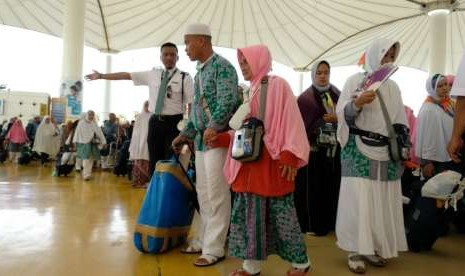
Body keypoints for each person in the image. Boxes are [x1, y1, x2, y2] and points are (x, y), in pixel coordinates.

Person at [218, 45, 311, 276]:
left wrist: (290, 153)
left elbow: (291, 118)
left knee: (283, 216)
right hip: (250, 165)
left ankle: (302, 263)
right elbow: (245, 130)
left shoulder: (276, 84)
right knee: (252, 217)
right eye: (241, 62)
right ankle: (251, 267)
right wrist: (222, 139)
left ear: (259, 61)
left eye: (246, 61)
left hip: (272, 163)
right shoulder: (251, 90)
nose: (242, 66)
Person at [335, 38, 408, 274]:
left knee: (379, 199)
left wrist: (401, 143)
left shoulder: (394, 87)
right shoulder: (355, 81)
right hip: (358, 149)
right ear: (375, 54)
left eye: (392, 57)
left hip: (385, 151)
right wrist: (356, 104)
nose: (388, 61)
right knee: (358, 201)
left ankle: (371, 248)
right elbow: (341, 113)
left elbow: (399, 120)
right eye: (385, 55)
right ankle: (355, 251)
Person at [171, 23, 240, 267]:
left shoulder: (223, 67)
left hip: (217, 140)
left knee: (217, 193)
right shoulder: (200, 71)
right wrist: (185, 133)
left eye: (188, 42)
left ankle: (215, 247)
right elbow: (196, 113)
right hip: (201, 142)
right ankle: (204, 239)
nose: (186, 48)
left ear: (202, 41)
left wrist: (213, 126)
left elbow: (228, 100)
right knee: (203, 194)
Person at [85, 42, 194, 177]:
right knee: (154, 159)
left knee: (172, 160)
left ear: (177, 58)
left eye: (173, 55)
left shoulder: (185, 77)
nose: (169, 57)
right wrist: (102, 76)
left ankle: (170, 193)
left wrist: (189, 128)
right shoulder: (152, 74)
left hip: (175, 123)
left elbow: (191, 105)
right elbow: (127, 75)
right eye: (166, 54)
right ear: (161, 57)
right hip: (155, 122)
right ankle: (155, 191)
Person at [294, 60, 341, 236]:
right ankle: (312, 225)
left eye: (326, 72)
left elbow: (346, 116)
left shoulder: (337, 94)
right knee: (313, 189)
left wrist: (337, 118)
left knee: (331, 186)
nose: (323, 76)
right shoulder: (305, 99)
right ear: (313, 74)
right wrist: (322, 122)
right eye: (319, 73)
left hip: (333, 150)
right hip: (313, 151)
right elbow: (300, 126)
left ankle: (330, 222)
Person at [416, 74, 460, 178]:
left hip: (451, 153)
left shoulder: (450, 103)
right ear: (432, 88)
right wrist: (427, 162)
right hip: (436, 159)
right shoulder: (428, 109)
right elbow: (425, 137)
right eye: (440, 86)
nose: (445, 88)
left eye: (446, 84)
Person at [73, 110, 106, 180]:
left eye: (92, 115)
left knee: (91, 159)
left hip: (92, 144)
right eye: (90, 115)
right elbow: (77, 133)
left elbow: (99, 133)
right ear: (87, 115)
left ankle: (87, 174)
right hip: (83, 144)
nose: (91, 116)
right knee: (85, 159)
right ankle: (85, 174)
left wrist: (104, 142)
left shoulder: (94, 123)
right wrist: (75, 142)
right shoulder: (81, 123)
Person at [129, 101, 151, 188]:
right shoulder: (140, 117)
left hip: (148, 143)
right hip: (139, 143)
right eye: (146, 105)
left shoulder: (153, 116)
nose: (147, 107)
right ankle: (138, 182)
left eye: (149, 105)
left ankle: (146, 182)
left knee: (148, 162)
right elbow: (136, 132)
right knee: (139, 162)